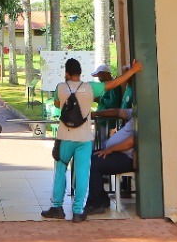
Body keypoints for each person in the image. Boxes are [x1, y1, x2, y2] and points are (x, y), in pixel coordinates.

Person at [41, 57, 95, 223]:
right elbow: (111, 85)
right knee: (82, 173)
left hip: (65, 136)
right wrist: (133, 70)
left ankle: (57, 207)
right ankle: (78, 211)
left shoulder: (61, 87)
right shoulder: (90, 87)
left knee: (60, 170)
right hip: (84, 138)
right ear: (80, 72)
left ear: (67, 73)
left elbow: (58, 104)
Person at [84, 107, 137, 215]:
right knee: (87, 158)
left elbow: (131, 142)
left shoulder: (145, 119)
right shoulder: (135, 113)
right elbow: (117, 112)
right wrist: (95, 114)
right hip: (117, 153)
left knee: (95, 163)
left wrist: (110, 149)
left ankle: (95, 204)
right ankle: (102, 199)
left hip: (128, 158)